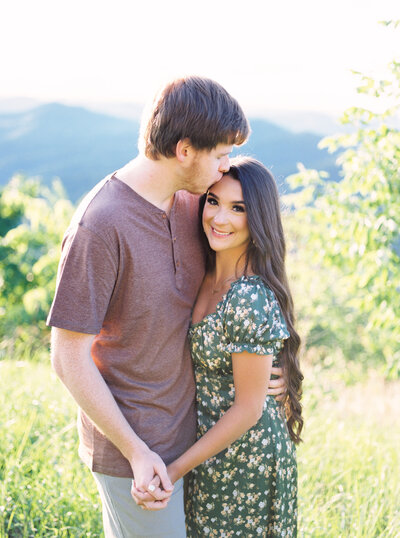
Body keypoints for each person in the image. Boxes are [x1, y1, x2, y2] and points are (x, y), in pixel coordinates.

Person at [47, 76, 287, 537]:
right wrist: (137, 452)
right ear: (184, 151)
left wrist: (274, 367)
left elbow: (255, 274)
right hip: (135, 456)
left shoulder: (195, 203)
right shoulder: (100, 226)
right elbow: (67, 357)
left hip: (190, 440)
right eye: (219, 155)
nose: (225, 168)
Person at [164, 157, 304, 536]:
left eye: (237, 208)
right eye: (213, 201)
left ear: (257, 219)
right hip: (208, 452)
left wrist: (175, 469)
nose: (219, 218)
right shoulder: (202, 272)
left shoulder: (249, 296)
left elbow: (248, 409)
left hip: (248, 460)